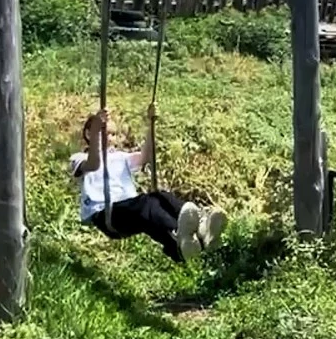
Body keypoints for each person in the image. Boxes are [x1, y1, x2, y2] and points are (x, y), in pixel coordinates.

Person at [68, 107, 226, 266]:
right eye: (105, 132)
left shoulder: (120, 157)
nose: (110, 138)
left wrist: (150, 123)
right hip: (105, 214)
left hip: (129, 209)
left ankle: (197, 233)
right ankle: (178, 234)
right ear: (89, 134)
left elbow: (145, 157)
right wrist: (96, 131)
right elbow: (94, 164)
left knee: (158, 197)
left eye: (113, 134)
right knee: (146, 204)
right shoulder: (80, 158)